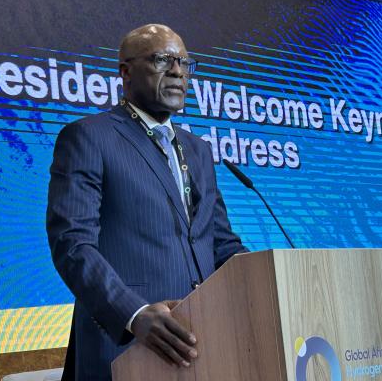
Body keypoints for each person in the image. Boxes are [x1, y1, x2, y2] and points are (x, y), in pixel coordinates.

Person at [46, 24, 248, 381]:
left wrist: (270, 273)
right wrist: (134, 314)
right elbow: (72, 244)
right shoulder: (89, 137)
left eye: (185, 64)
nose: (177, 72)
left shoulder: (198, 150)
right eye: (162, 60)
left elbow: (220, 243)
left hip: (202, 345)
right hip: (127, 348)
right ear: (125, 71)